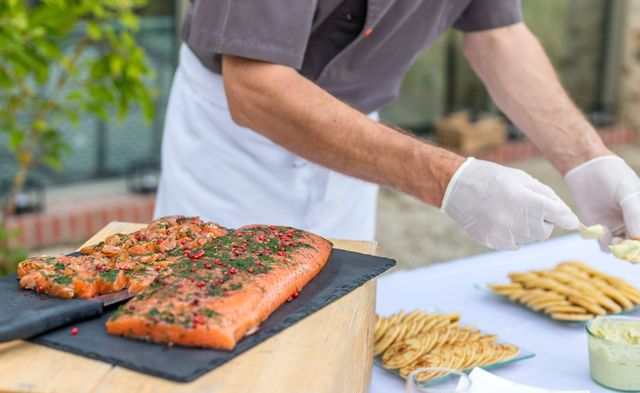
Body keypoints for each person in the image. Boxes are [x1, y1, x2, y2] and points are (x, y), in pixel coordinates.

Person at [154, 0, 640, 251]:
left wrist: (588, 158)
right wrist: (450, 181)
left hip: (353, 138)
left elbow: (498, 35)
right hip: (233, 146)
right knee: (199, 321)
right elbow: (255, 87)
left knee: (332, 320)